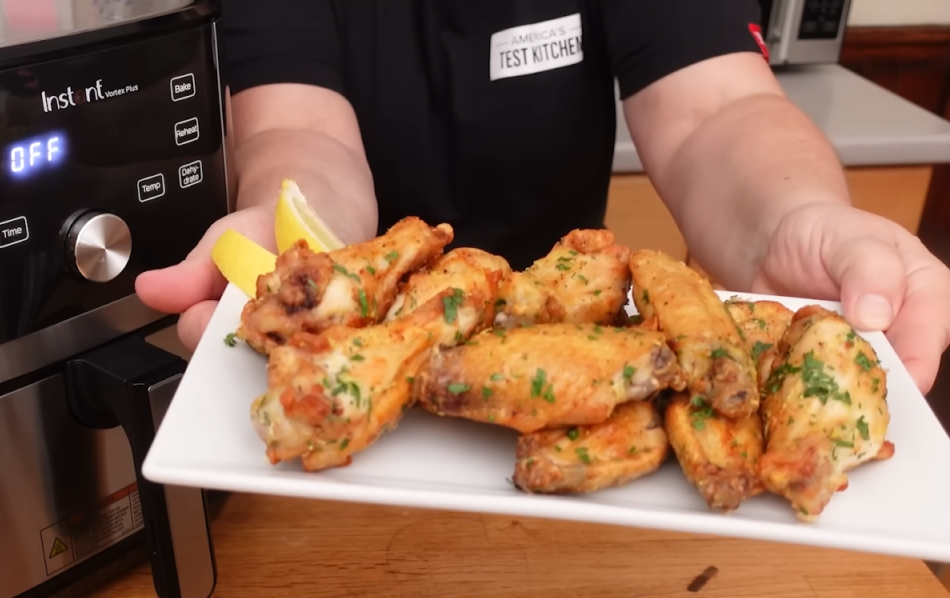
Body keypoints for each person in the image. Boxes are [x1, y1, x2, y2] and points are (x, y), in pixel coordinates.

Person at [135, 0, 950, 394]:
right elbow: (299, 132)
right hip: (360, 398)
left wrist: (794, 220)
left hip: (579, 377)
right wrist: (309, 272)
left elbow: (719, 112)